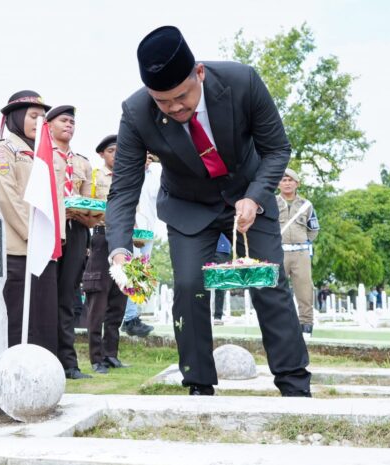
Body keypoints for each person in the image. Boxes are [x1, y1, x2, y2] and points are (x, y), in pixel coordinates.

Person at [106, 26, 312, 397]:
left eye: (182, 97)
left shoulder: (242, 81)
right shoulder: (136, 112)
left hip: (249, 193)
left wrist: (254, 196)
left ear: (198, 73)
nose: (175, 109)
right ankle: (199, 383)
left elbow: (277, 148)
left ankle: (295, 383)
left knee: (268, 281)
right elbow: (123, 189)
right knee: (188, 287)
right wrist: (119, 250)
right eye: (163, 102)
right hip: (188, 204)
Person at [0, 90, 60, 353]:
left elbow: (54, 200)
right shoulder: (3, 151)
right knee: (19, 316)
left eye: (43, 117)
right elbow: (9, 198)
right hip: (20, 247)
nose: (39, 121)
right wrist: (34, 235)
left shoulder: (45, 154)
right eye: (33, 116)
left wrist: (53, 237)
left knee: (44, 316)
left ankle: (43, 370)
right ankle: (15, 371)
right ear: (16, 117)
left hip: (45, 247)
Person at [47, 105, 97, 379]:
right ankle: (46, 356)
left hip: (76, 228)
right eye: (63, 121)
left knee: (68, 295)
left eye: (72, 122)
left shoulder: (83, 162)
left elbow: (89, 198)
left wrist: (92, 216)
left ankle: (69, 363)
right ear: (50, 125)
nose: (69, 125)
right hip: (49, 228)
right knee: (45, 294)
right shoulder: (40, 156)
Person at [84, 135, 129, 374]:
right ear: (102, 154)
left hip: (126, 240)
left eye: (120, 150)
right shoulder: (95, 176)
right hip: (102, 236)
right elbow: (85, 206)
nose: (117, 154)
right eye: (112, 150)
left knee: (119, 298)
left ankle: (111, 353)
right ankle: (96, 357)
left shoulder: (129, 177)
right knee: (98, 299)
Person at [276, 169, 319, 334]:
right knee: (276, 288)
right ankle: (279, 324)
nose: (287, 183)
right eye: (283, 180)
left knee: (304, 289)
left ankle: (306, 325)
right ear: (278, 183)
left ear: (297, 183)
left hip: (301, 252)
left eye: (290, 180)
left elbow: (313, 229)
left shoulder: (306, 205)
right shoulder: (272, 202)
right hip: (279, 251)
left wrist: (304, 241)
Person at [120, 153, 159, 337]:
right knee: (131, 274)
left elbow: (158, 196)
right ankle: (129, 319)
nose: (148, 158)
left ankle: (132, 316)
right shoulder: (127, 170)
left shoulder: (154, 174)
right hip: (130, 229)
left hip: (148, 230)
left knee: (141, 274)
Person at [212, 233, 231, 325]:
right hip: (202, 245)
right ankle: (200, 314)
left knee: (220, 283)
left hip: (221, 248)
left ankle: (218, 316)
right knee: (199, 281)